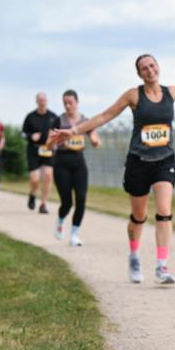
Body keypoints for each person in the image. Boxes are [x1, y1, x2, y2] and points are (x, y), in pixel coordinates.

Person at [49, 53, 175, 285]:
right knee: (139, 216)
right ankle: (134, 256)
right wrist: (73, 131)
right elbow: (105, 115)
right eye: (144, 68)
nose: (149, 70)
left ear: (158, 67)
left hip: (164, 160)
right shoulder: (133, 95)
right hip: (139, 161)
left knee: (164, 211)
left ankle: (162, 266)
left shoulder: (171, 92)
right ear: (139, 74)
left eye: (152, 65)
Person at [50, 90, 101, 247]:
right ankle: (60, 221)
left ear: (77, 102)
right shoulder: (58, 121)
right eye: (65, 103)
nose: (67, 105)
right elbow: (48, 144)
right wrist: (57, 141)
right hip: (61, 163)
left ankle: (74, 235)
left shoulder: (85, 120)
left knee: (81, 198)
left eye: (70, 102)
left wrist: (93, 140)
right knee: (67, 202)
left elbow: (96, 140)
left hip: (79, 163)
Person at [22, 93, 58, 214]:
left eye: (44, 100)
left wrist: (53, 137)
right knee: (35, 179)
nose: (42, 102)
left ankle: (43, 204)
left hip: (48, 149)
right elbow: (23, 133)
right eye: (40, 100)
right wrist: (31, 135)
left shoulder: (53, 117)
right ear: (36, 101)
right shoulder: (30, 117)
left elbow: (59, 132)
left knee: (48, 175)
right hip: (33, 149)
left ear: (47, 101)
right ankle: (32, 194)